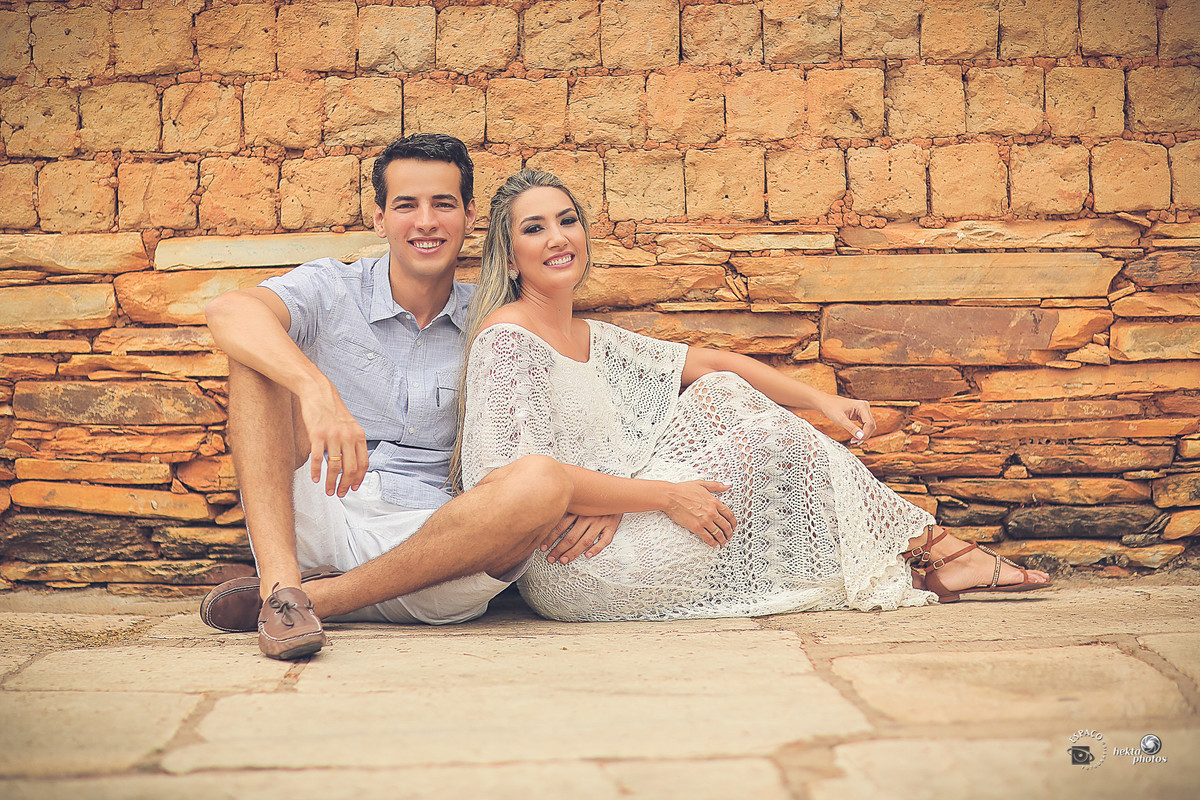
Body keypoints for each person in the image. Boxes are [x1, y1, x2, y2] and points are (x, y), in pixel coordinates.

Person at [455, 169, 1052, 622]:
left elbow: (714, 363)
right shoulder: (508, 341)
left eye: (567, 220)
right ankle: (936, 550)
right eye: (535, 229)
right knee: (754, 434)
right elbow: (503, 479)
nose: (558, 238)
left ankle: (923, 552)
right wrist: (658, 498)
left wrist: (821, 401)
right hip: (574, 565)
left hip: (618, 520)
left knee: (718, 391)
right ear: (510, 256)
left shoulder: (589, 336)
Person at [199, 135, 579, 659]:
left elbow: (595, 374)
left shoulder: (497, 318)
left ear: (469, 216)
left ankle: (312, 600)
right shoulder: (333, 288)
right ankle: (285, 590)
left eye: (443, 204)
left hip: (438, 555)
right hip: (322, 505)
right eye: (406, 205)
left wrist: (606, 501)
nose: (425, 221)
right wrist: (316, 389)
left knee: (541, 482)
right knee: (254, 353)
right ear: (380, 218)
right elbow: (228, 312)